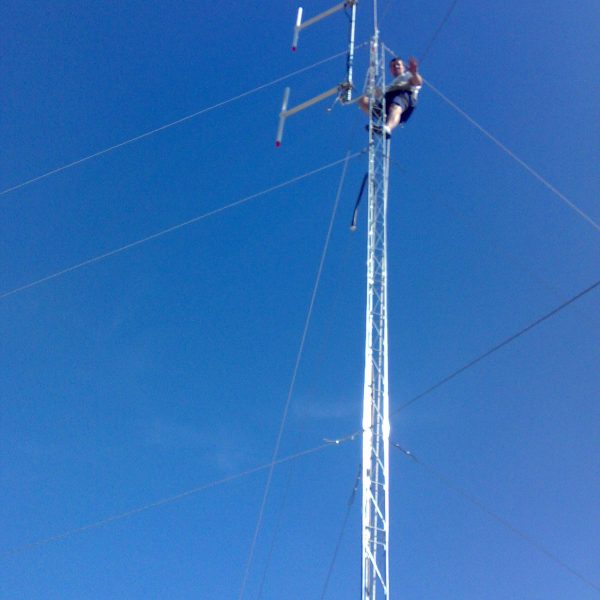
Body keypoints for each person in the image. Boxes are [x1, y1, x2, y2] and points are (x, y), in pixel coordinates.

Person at [358, 56, 423, 136]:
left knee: (395, 105)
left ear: (403, 67)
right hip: (388, 102)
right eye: (393, 66)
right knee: (362, 100)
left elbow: (418, 82)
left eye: (398, 64)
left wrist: (414, 72)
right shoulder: (389, 87)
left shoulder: (408, 75)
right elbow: (376, 92)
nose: (396, 66)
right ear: (391, 70)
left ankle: (387, 128)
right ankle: (379, 119)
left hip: (403, 96)